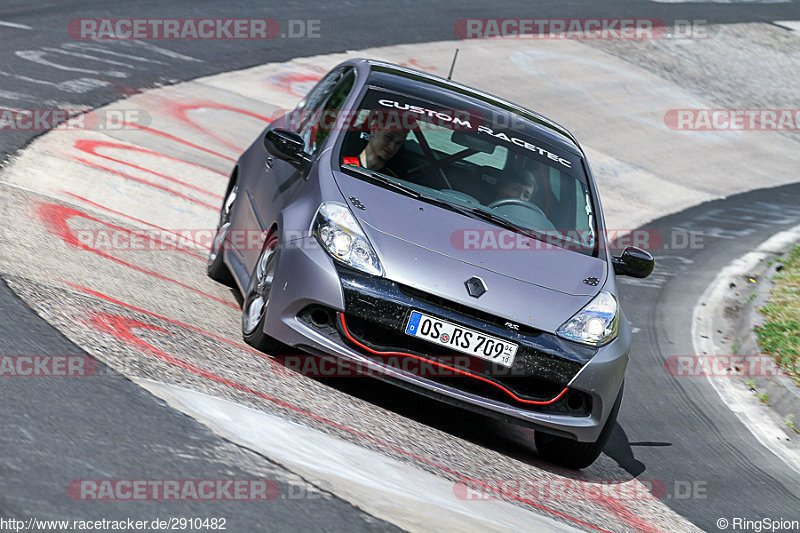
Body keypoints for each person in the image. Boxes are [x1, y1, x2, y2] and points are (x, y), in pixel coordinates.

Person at [342, 118, 413, 176]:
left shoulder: (395, 181)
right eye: (389, 137)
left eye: (399, 143)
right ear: (374, 130)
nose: (392, 147)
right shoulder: (340, 164)